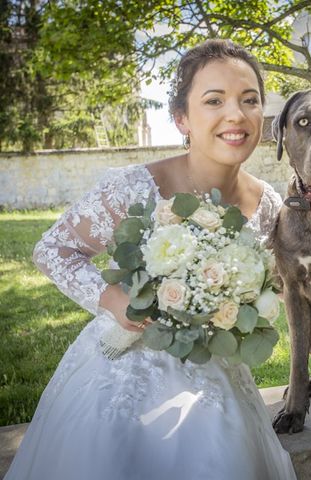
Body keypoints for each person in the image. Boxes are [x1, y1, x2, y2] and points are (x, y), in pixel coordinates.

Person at [5, 39, 296, 480]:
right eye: (213, 100)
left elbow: (275, 286)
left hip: (215, 367)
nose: (236, 114)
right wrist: (113, 299)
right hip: (126, 365)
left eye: (249, 100)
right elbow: (53, 250)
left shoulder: (268, 202)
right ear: (182, 118)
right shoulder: (134, 186)